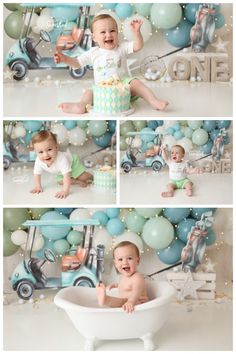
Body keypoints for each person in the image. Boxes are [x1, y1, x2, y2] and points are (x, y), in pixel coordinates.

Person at [54, 14, 168, 114]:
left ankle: (153, 101)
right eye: (103, 32)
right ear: (94, 37)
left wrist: (136, 32)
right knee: (89, 92)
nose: (108, 35)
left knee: (135, 82)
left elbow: (138, 46)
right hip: (102, 89)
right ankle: (81, 105)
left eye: (112, 31)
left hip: (123, 86)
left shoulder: (121, 47)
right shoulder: (93, 53)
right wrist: (64, 58)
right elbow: (77, 63)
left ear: (117, 33)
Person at [30, 130, 93, 199]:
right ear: (36, 152)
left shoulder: (61, 159)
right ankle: (77, 181)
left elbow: (66, 175)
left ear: (56, 147)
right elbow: (37, 174)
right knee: (61, 182)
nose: (45, 155)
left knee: (84, 177)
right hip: (59, 171)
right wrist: (38, 186)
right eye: (40, 152)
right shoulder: (38, 160)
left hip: (72, 164)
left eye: (49, 149)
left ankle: (92, 177)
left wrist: (65, 191)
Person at [96, 241, 148, 313]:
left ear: (138, 261)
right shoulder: (123, 276)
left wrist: (131, 301)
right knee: (119, 301)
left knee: (121, 302)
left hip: (138, 305)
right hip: (125, 303)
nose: (125, 262)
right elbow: (123, 285)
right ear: (115, 264)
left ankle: (106, 300)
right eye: (120, 259)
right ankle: (105, 299)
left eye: (129, 258)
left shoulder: (137, 277)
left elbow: (137, 292)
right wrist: (114, 285)